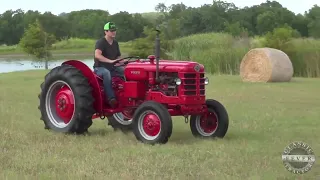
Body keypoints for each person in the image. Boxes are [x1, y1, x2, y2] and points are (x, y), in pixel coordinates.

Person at [93, 22, 124, 108]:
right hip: (100, 68)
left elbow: (118, 56)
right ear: (106, 32)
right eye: (111, 31)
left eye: (114, 30)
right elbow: (97, 55)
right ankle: (111, 98)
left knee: (126, 71)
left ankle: (127, 95)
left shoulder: (115, 43)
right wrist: (110, 61)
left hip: (113, 67)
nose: (113, 32)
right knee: (107, 73)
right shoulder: (101, 42)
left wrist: (123, 63)